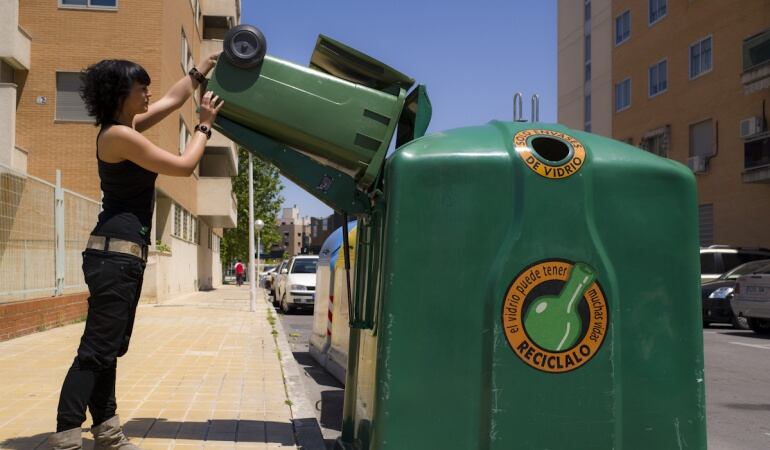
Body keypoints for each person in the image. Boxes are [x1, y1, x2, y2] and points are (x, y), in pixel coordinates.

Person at [48, 55, 224, 450]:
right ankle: (65, 436)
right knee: (95, 351)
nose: (148, 93)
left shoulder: (127, 127)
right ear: (119, 94)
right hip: (114, 256)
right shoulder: (118, 136)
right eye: (140, 87)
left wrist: (201, 70)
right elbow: (182, 165)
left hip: (121, 255)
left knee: (108, 349)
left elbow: (170, 100)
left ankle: (107, 431)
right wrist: (204, 126)